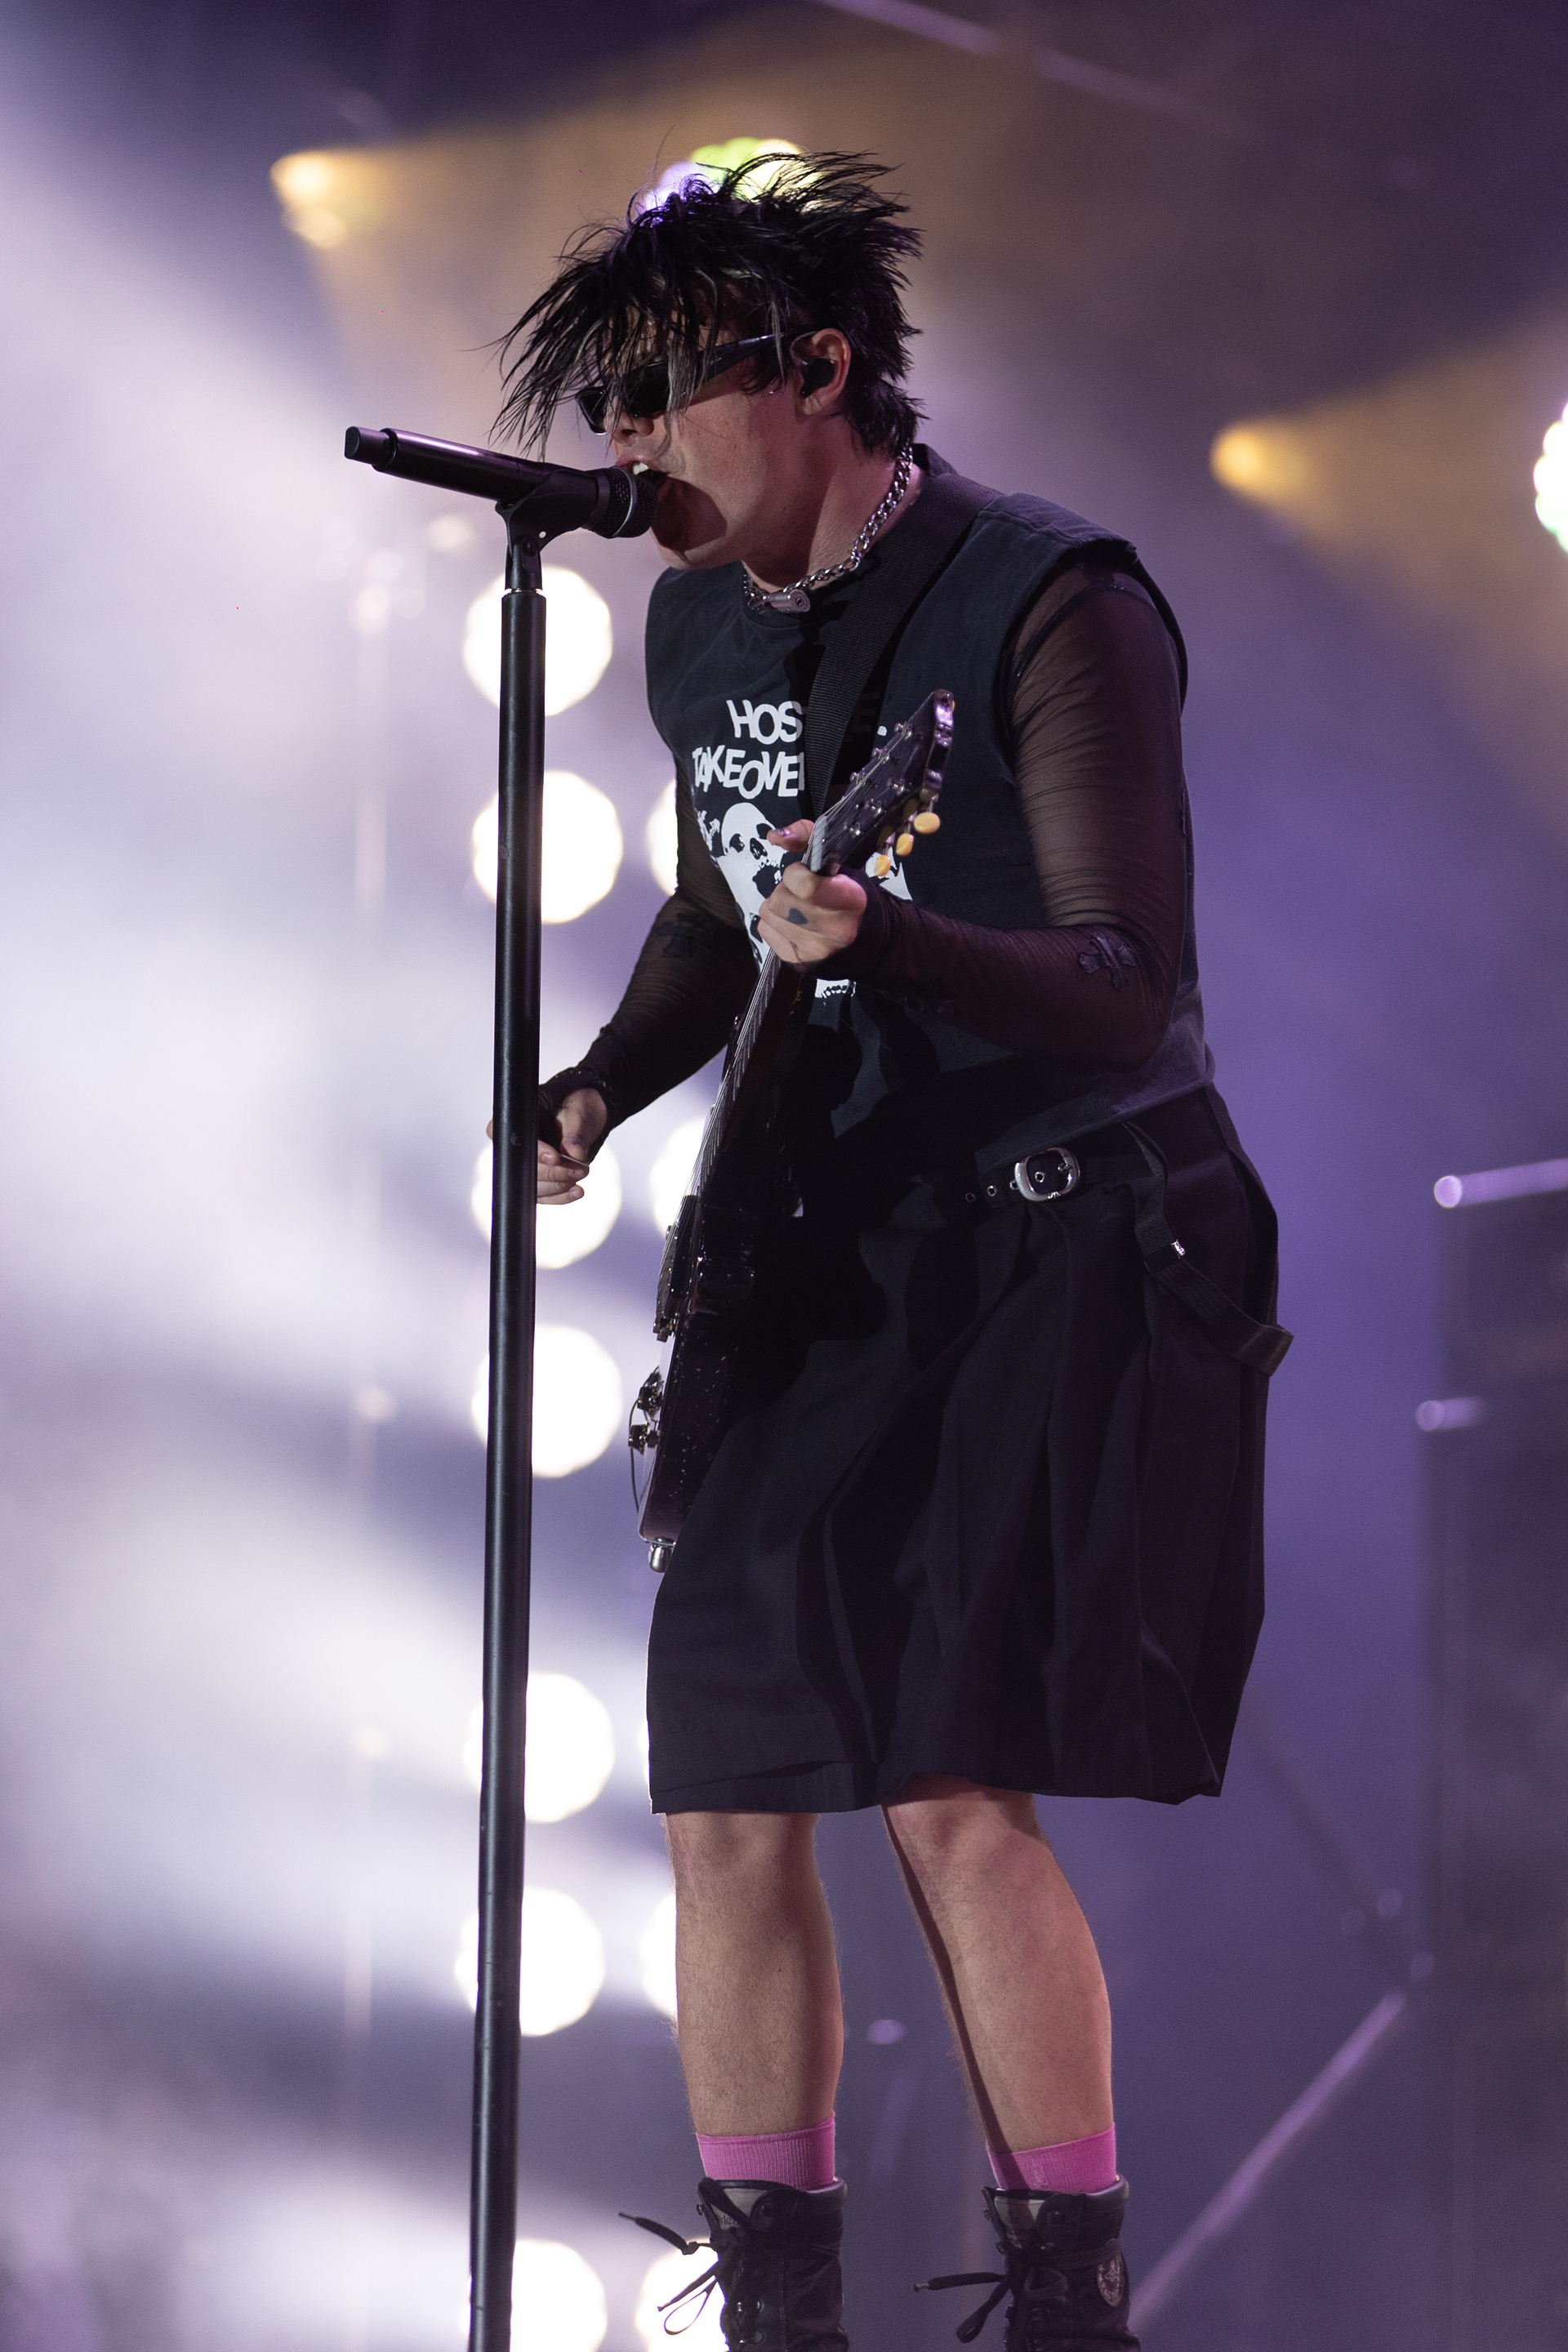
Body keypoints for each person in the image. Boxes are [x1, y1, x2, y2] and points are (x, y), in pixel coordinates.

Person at [497, 152, 1287, 2352]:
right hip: (822, 1243)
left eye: (664, 393)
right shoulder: (693, 619)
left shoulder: (1051, 596)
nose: (632, 447)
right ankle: (779, 2314)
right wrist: (599, 1086)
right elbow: (714, 904)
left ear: (819, 367)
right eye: (609, 412)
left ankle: (1068, 2304)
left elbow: (1127, 984)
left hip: (1061, 1234)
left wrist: (898, 938)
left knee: (945, 1783)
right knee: (723, 1785)